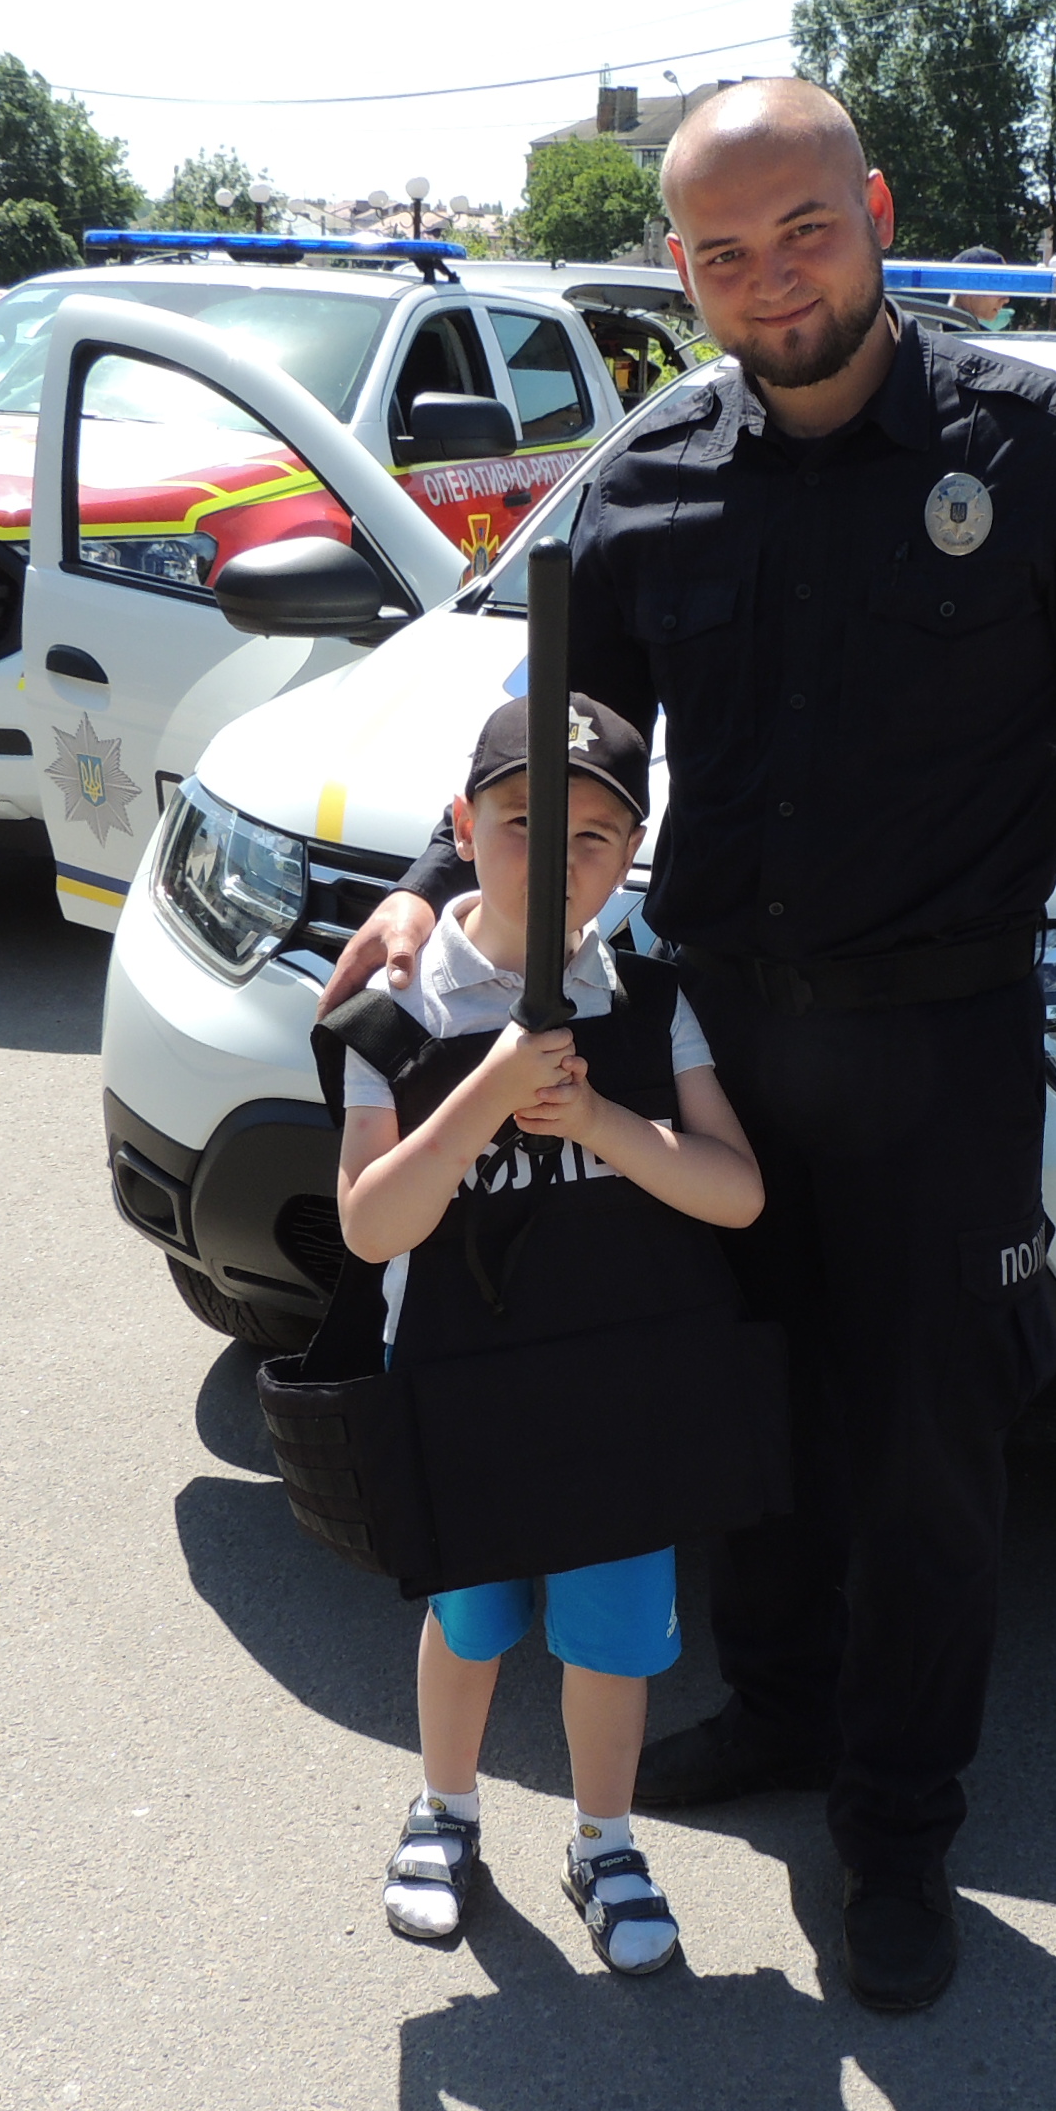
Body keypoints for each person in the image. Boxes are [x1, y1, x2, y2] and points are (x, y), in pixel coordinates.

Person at [323, 79, 1056, 2012]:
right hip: (710, 1041)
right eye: (722, 251)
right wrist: (423, 881)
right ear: (679, 267)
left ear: (874, 210)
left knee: (921, 1454)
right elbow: (553, 731)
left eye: (802, 229)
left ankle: (894, 1830)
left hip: (934, 1052)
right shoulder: (649, 477)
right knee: (739, 1403)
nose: (769, 278)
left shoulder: (1039, 453)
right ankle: (788, 1707)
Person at [337, 695, 767, 1977]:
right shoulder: (397, 1007)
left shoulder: (650, 1000)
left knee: (614, 1637)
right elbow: (371, 1224)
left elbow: (736, 1192)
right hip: (463, 1380)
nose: (558, 857)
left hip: (619, 1378)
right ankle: (446, 1808)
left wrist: (599, 1125)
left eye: (595, 835)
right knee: (470, 1617)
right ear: (464, 828)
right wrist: (488, 1090)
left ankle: (605, 1840)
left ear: (631, 856)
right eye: (524, 821)